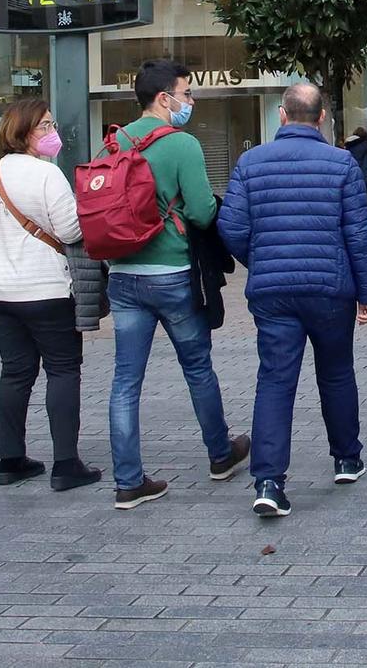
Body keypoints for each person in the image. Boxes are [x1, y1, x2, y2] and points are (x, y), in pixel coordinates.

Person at [218, 82, 367, 519]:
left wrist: (261, 259)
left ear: (282, 117)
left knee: (274, 380)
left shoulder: (250, 163)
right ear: (322, 117)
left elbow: (229, 227)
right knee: (337, 372)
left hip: (273, 293)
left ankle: (269, 481)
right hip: (330, 290)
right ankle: (346, 458)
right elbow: (359, 235)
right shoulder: (342, 163)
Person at [105, 59, 249, 510]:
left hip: (124, 275)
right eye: (187, 94)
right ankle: (220, 454)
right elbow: (205, 212)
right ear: (164, 98)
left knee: (125, 381)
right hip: (171, 275)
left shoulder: (115, 141)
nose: (191, 103)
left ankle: (128, 481)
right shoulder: (182, 144)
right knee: (197, 368)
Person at [0, 99, 101, 492]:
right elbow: (70, 231)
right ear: (22, 132)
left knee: (15, 373)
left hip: (1, 290)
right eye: (44, 126)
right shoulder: (48, 175)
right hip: (47, 290)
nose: (54, 134)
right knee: (63, 370)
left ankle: (10, 459)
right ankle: (66, 464)